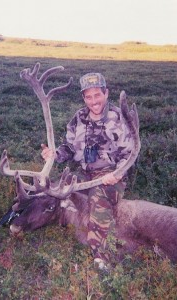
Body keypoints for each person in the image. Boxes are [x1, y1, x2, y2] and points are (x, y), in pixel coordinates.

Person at [41, 72, 134, 269]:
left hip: (110, 176)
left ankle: (101, 258)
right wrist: (54, 154)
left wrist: (117, 174)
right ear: (84, 98)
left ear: (106, 93)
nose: (94, 101)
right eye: (89, 97)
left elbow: (129, 153)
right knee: (55, 187)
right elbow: (69, 148)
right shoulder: (78, 118)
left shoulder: (118, 118)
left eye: (97, 95)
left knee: (98, 201)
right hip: (85, 175)